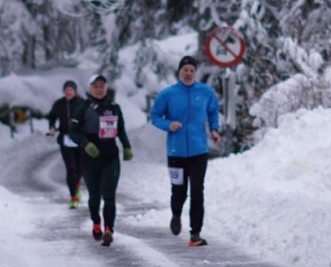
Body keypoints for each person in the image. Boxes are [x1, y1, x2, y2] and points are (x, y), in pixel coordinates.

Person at [150, 55, 221, 247]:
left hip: (199, 150)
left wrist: (214, 129)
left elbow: (213, 111)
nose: (188, 73)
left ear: (195, 73)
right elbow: (155, 116)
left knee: (197, 191)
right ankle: (176, 214)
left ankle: (195, 234)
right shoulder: (168, 94)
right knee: (179, 191)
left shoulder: (205, 92)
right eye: (185, 70)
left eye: (191, 70)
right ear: (179, 72)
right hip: (176, 152)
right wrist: (168, 124)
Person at [69, 74, 133, 247]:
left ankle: (108, 230)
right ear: (90, 88)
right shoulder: (82, 108)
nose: (99, 89)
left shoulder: (114, 107)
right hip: (90, 158)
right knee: (95, 197)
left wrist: (126, 146)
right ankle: (96, 223)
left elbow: (121, 129)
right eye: (95, 86)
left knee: (109, 196)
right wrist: (86, 143)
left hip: (110, 156)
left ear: (106, 87)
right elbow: (72, 132)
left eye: (102, 86)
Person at [47, 80, 83, 208]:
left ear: (75, 91)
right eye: (66, 90)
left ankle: (77, 186)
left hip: (80, 140)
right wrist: (52, 127)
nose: (68, 92)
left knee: (80, 168)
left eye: (71, 90)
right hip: (65, 139)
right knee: (70, 168)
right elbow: (52, 116)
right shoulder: (59, 104)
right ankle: (73, 196)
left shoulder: (82, 103)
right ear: (64, 91)